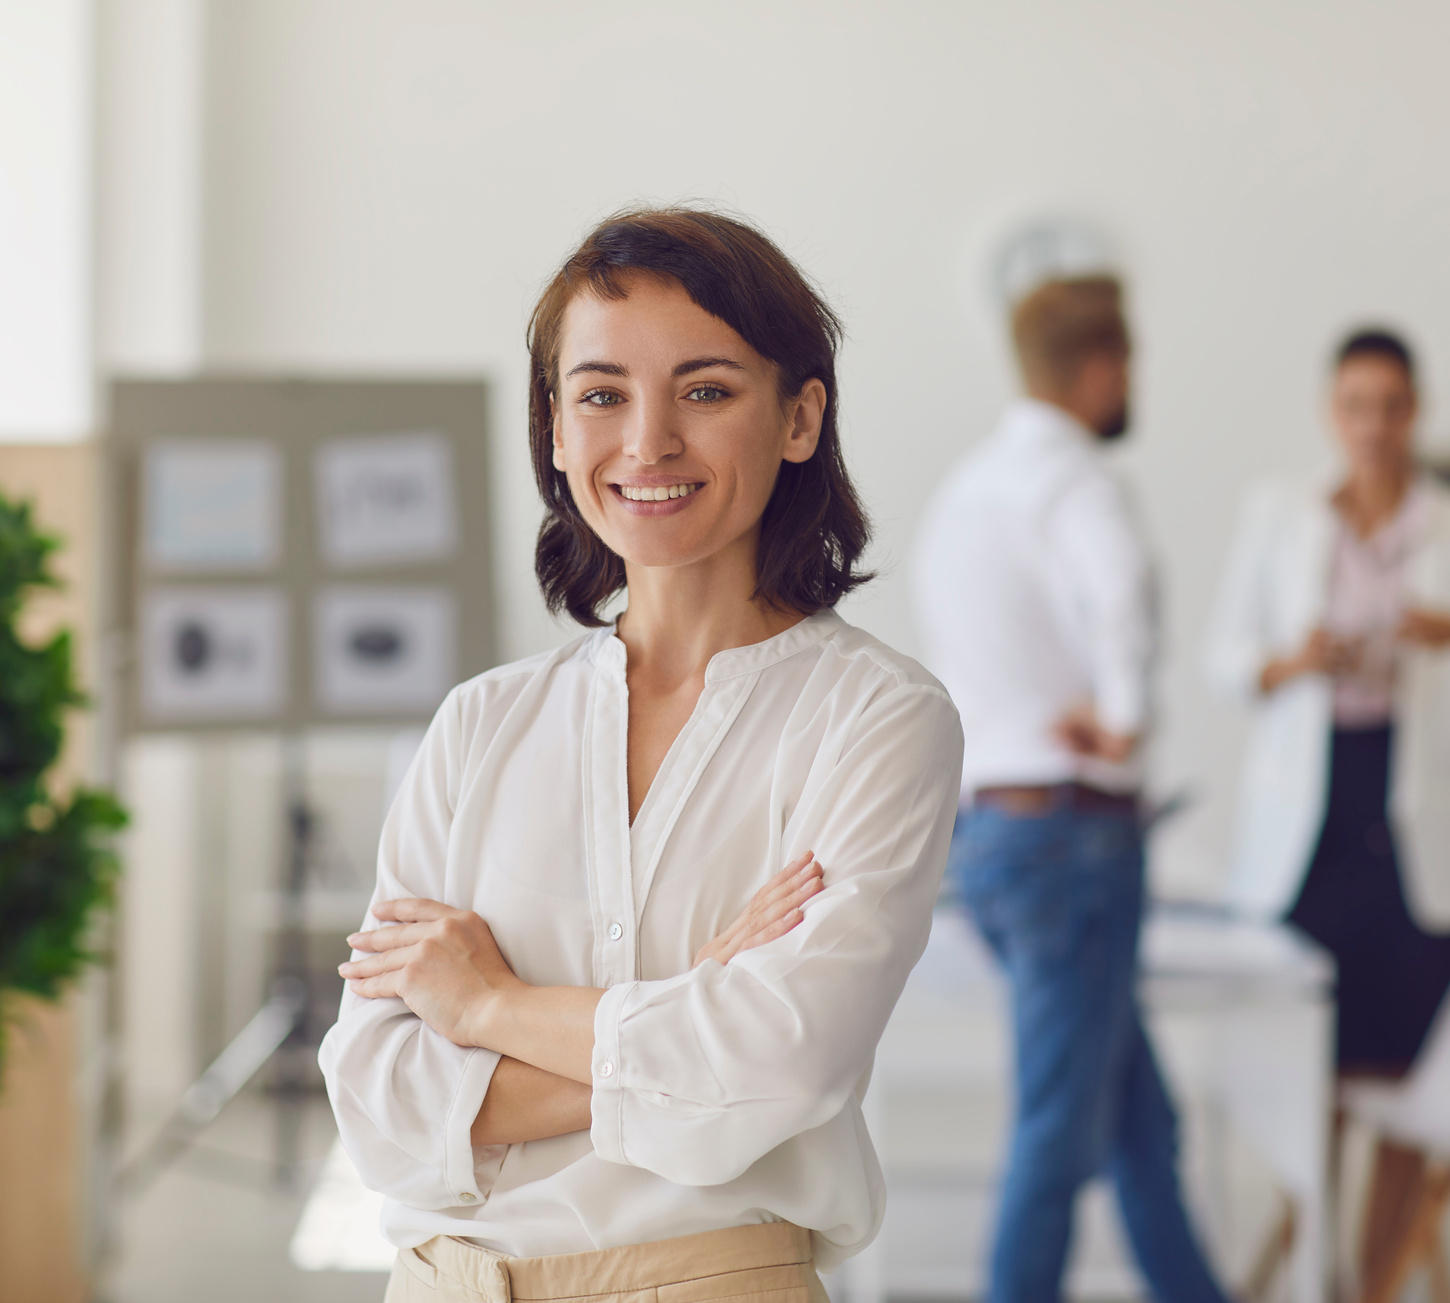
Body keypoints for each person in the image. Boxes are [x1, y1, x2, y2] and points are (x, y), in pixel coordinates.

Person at [320, 208, 963, 1302]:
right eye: (601, 394)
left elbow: (779, 1061)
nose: (647, 441)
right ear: (557, 429)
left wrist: (485, 1010)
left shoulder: (877, 718)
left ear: (799, 416)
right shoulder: (479, 724)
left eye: (705, 391)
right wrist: (688, 997)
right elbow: (378, 1097)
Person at [912, 278, 1229, 1303]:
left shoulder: (962, 493)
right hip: (1073, 840)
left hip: (991, 837)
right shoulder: (1078, 481)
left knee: (1139, 1118)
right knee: (1059, 1126)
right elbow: (1121, 592)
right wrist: (1128, 718)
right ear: (1100, 368)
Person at [1203, 328, 1450, 1282]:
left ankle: (1379, 1274)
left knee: (1402, 1081)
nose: (1374, 426)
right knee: (1314, 1077)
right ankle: (1316, 1268)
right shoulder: (1279, 516)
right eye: (1355, 406)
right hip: (1316, 825)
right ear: (1329, 413)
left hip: (1417, 831)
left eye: (1391, 406)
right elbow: (1224, 663)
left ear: (1413, 412)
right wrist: (1295, 660)